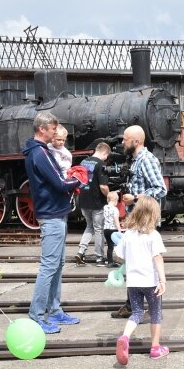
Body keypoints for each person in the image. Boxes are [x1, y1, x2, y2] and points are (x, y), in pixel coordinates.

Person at [23, 111, 83, 334]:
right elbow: (59, 183)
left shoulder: (40, 152)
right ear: (42, 129)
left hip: (55, 212)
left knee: (56, 265)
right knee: (49, 266)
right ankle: (37, 315)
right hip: (52, 215)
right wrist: (80, 178)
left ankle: (55, 310)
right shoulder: (39, 153)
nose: (55, 132)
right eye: (52, 129)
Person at [113, 124, 167, 319]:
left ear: (136, 141)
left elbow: (160, 189)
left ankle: (145, 306)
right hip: (136, 219)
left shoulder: (146, 160)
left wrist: (135, 197)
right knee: (135, 262)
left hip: (144, 221)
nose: (122, 142)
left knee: (143, 262)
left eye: (125, 139)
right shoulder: (135, 160)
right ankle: (133, 304)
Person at [114, 196, 168, 365]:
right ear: (154, 214)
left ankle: (125, 336)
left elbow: (118, 256)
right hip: (150, 282)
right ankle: (155, 348)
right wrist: (163, 281)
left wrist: (130, 261)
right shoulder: (153, 235)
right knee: (155, 314)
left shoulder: (128, 234)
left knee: (137, 312)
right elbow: (157, 258)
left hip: (133, 282)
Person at [75, 142, 111, 267]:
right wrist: (110, 195)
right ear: (105, 153)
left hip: (83, 200)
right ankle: (99, 258)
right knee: (98, 229)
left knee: (89, 226)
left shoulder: (83, 162)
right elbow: (103, 186)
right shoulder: (101, 164)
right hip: (97, 202)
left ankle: (80, 252)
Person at [103, 191, 124, 268]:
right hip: (113, 230)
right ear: (115, 200)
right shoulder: (115, 209)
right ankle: (119, 260)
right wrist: (119, 229)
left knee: (109, 246)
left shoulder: (104, 208)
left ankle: (110, 261)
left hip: (106, 230)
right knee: (116, 245)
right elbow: (116, 220)